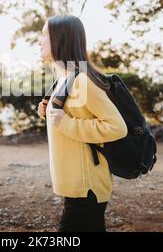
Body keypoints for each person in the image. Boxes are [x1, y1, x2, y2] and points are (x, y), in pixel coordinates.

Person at [37, 15, 128, 232]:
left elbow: (117, 127)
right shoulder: (65, 78)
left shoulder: (82, 81)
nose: (38, 41)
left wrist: (65, 122)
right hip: (77, 186)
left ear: (60, 40)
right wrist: (48, 113)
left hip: (87, 187)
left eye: (43, 35)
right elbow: (75, 116)